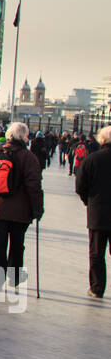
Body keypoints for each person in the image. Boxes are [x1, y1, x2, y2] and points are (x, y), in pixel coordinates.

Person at [0, 122, 43, 293]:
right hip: (20, 212)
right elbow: (33, 186)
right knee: (17, 245)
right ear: (24, 137)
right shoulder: (28, 158)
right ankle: (14, 279)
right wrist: (37, 208)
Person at [75, 126, 111, 299]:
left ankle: (97, 288)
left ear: (101, 140)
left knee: (97, 253)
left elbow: (80, 185)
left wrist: (88, 202)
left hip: (98, 213)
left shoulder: (92, 159)